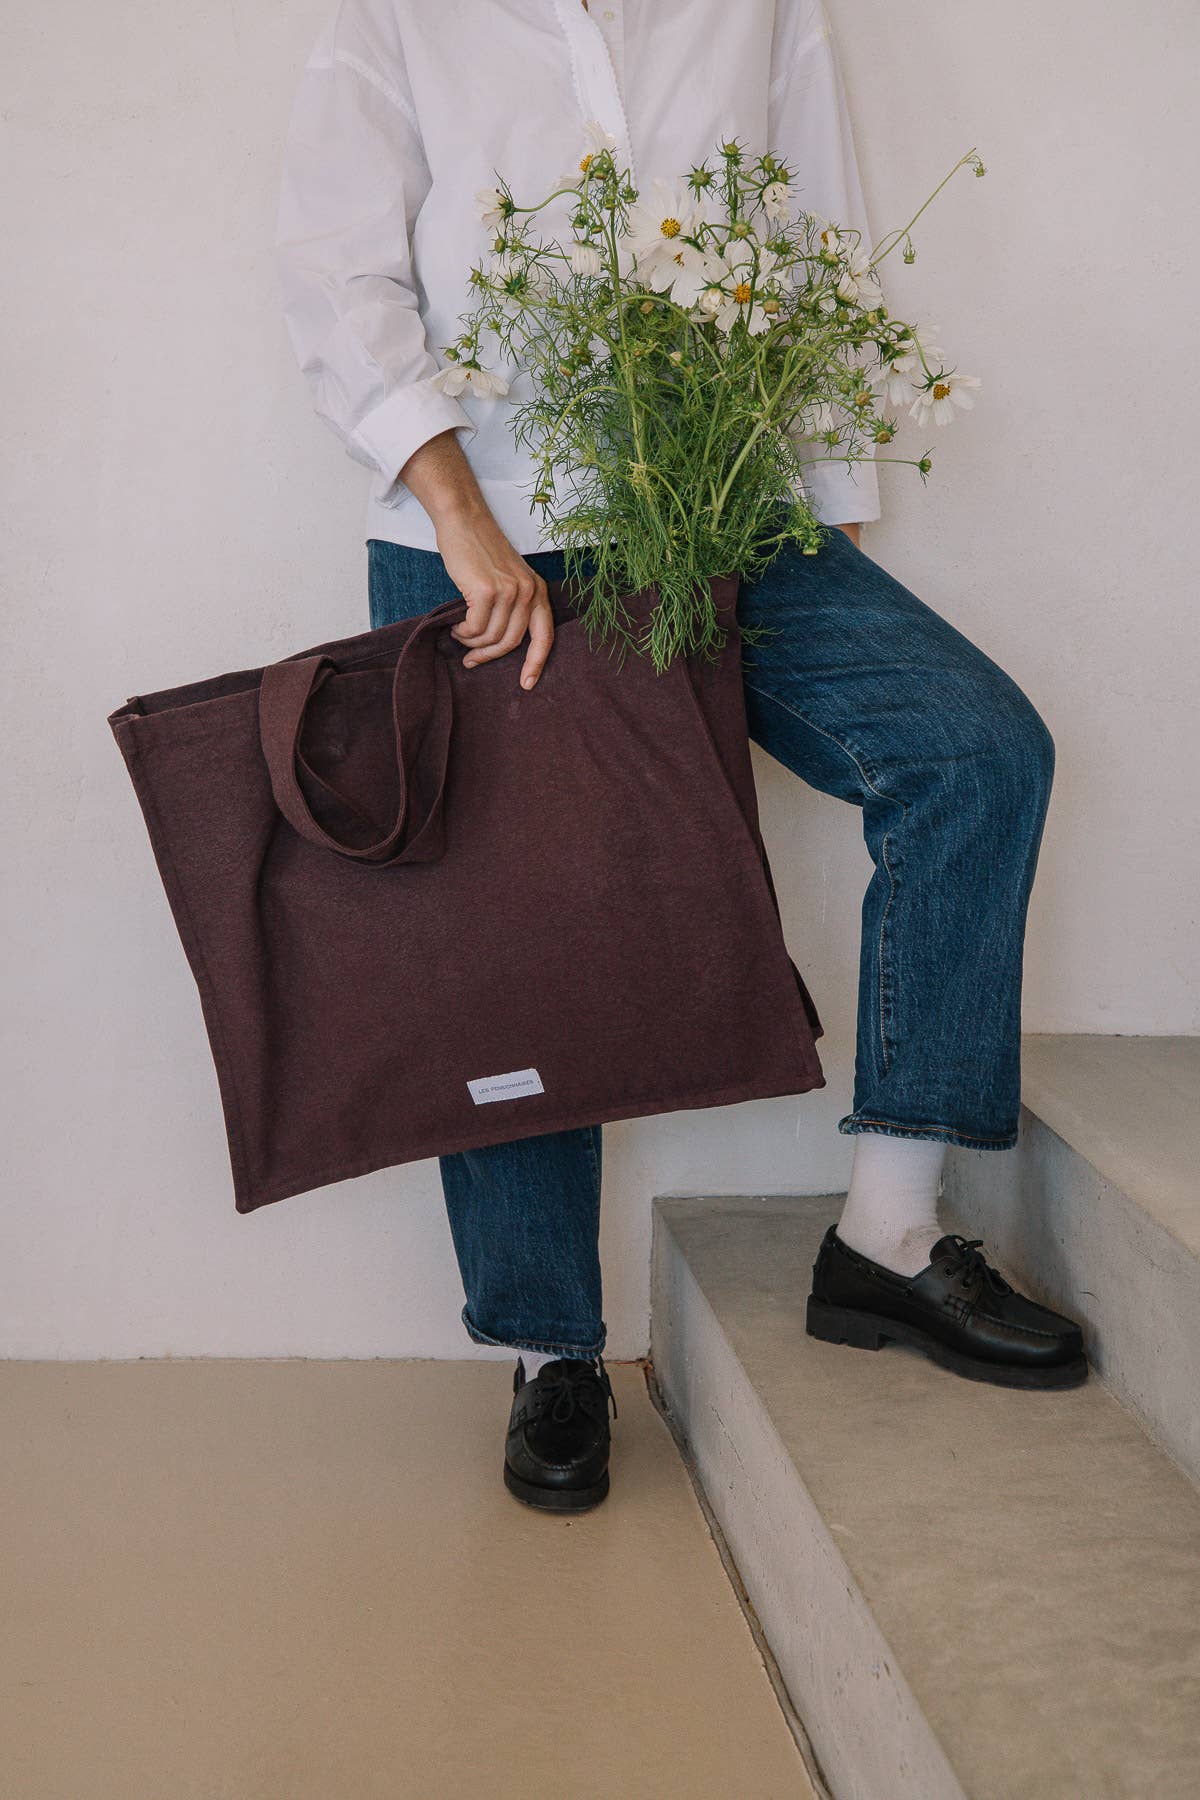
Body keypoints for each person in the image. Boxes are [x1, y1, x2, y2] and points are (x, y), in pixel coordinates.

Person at [275, 0, 1087, 1513]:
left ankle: (890, 1237)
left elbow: (817, 232)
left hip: (722, 504)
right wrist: (464, 523)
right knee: (519, 940)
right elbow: (339, 273)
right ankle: (550, 1353)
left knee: (973, 752)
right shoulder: (397, 10)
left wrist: (825, 515)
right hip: (485, 534)